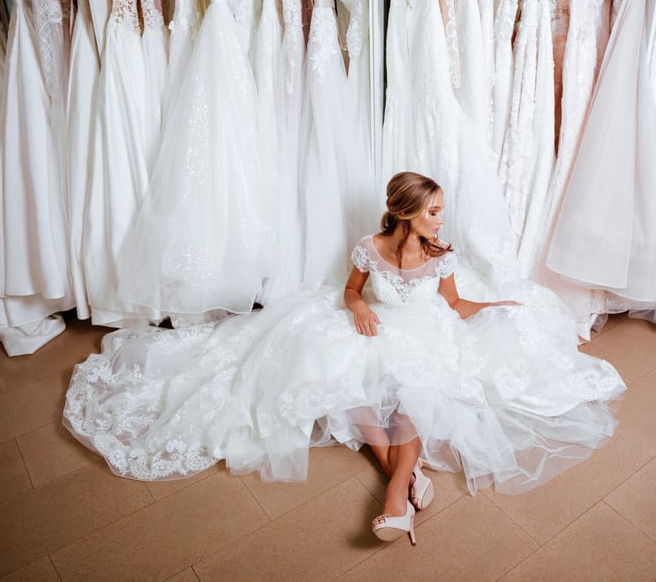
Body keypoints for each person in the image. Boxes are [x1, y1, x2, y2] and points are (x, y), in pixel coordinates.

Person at [63, 171, 626, 546]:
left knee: (410, 398)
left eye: (441, 212)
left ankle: (392, 497)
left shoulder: (441, 255)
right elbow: (351, 290)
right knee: (348, 387)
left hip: (425, 334)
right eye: (433, 212)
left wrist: (499, 304)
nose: (440, 220)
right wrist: (356, 308)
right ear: (406, 213)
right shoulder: (370, 247)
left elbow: (454, 305)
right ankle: (407, 477)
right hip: (374, 328)